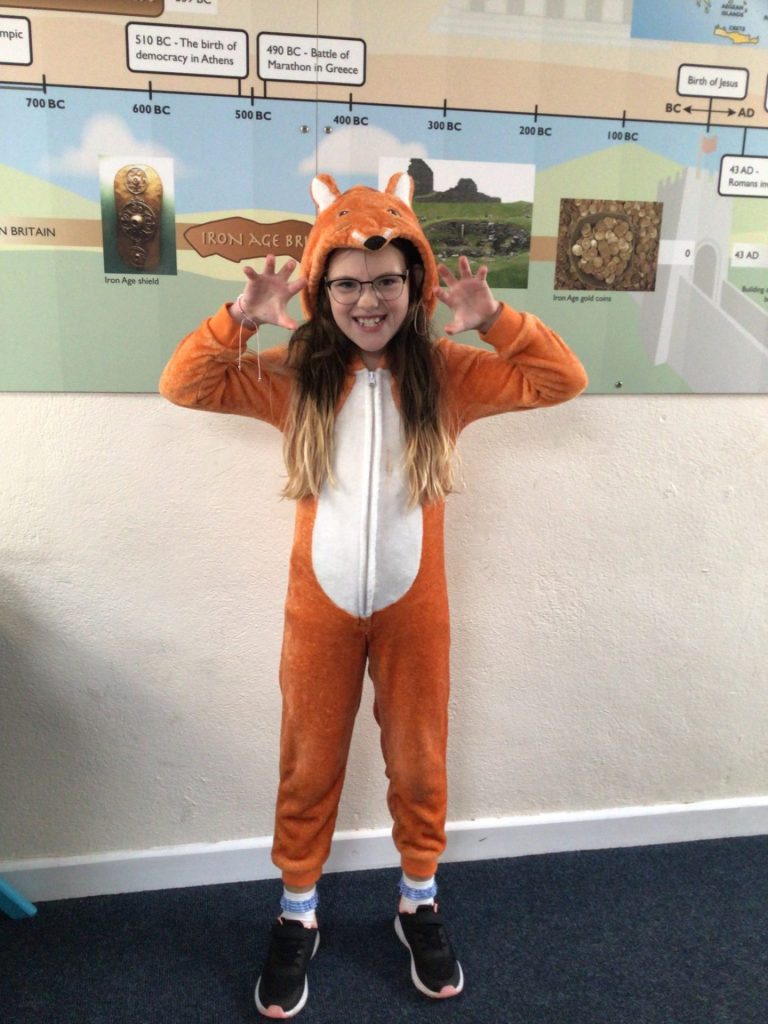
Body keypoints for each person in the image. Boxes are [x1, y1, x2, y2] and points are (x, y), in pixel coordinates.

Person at [159, 172, 588, 1019]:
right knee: (309, 761)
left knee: (420, 760)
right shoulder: (293, 375)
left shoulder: (449, 374)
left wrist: (496, 321)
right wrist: (241, 316)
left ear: (415, 283)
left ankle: (417, 901)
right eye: (347, 284)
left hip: (413, 609)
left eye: (387, 280)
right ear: (321, 292)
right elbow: (186, 384)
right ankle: (297, 912)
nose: (368, 301)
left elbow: (560, 379)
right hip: (317, 611)